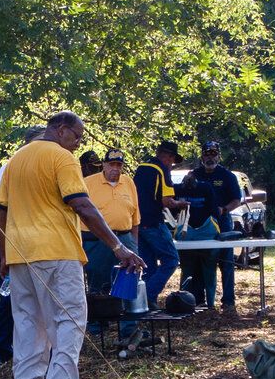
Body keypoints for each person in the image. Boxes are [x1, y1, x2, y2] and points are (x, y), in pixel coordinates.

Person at [0, 112, 144, 379]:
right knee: (70, 318)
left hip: (21, 253)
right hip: (57, 251)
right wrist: (118, 247)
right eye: (76, 137)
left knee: (27, 322)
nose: (77, 144)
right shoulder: (61, 158)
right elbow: (82, 204)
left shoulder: (16, 160)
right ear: (61, 131)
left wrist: (2, 250)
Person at [0, 127, 47, 369]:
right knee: (9, 301)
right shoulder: (11, 166)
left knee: (42, 304)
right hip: (14, 248)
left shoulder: (49, 165)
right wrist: (2, 249)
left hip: (42, 248)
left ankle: (40, 355)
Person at [176, 140, 247, 316]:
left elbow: (237, 200)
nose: (210, 157)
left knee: (226, 263)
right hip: (198, 226)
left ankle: (228, 303)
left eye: (213, 153)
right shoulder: (194, 174)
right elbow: (182, 194)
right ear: (202, 156)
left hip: (222, 223)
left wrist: (224, 209)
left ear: (219, 155)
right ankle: (196, 301)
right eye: (207, 154)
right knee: (198, 262)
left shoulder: (227, 176)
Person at [83, 148, 142, 351]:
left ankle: (128, 325)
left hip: (125, 235)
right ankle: (97, 323)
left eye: (119, 165)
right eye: (111, 164)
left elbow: (135, 216)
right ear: (104, 165)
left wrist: (133, 243)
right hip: (98, 238)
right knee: (98, 279)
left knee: (128, 277)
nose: (115, 169)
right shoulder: (89, 182)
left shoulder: (129, 183)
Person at [131, 141, 185, 307]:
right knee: (171, 260)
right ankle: (147, 296)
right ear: (168, 157)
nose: (172, 164)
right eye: (172, 161)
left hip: (138, 224)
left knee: (149, 266)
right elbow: (166, 201)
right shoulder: (162, 170)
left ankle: (145, 305)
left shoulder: (140, 168)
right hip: (154, 223)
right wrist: (181, 204)